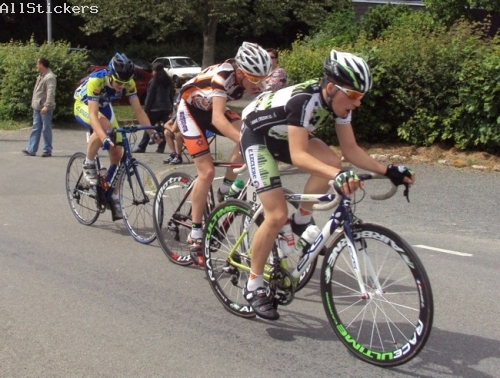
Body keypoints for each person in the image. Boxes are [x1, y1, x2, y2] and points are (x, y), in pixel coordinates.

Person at [239, 50, 416, 320]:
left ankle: (301, 218)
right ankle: (253, 285)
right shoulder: (304, 101)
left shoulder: (337, 102)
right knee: (275, 215)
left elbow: (351, 150)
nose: (357, 103)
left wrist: (388, 170)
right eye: (354, 95)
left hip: (283, 134)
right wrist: (338, 175)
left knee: (332, 159)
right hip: (258, 136)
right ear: (332, 88)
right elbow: (299, 156)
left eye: (362, 97)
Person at [176, 41, 271, 266]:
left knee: (251, 134)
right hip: (190, 111)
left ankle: (225, 190)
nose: (260, 84)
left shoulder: (252, 80)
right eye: (255, 79)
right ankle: (196, 233)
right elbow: (218, 118)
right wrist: (248, 142)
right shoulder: (222, 76)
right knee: (206, 172)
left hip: (210, 108)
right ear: (240, 71)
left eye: (263, 79)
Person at [74, 52, 158, 221]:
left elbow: (138, 111)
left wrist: (152, 132)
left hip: (104, 108)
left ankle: (113, 196)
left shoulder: (128, 83)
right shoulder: (96, 81)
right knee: (103, 126)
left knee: (118, 156)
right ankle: (88, 162)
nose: (121, 86)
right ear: (110, 74)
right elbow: (92, 115)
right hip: (84, 105)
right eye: (118, 83)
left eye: (125, 83)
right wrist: (104, 137)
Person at [133, 62, 175, 154]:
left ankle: (142, 146)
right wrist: (171, 108)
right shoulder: (168, 81)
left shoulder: (154, 81)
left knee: (149, 126)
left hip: (155, 108)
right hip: (167, 107)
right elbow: (171, 95)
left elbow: (150, 96)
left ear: (155, 70)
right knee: (164, 127)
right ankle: (161, 147)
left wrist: (146, 109)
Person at [22, 57, 57, 157]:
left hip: (45, 108)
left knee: (46, 128)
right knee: (36, 128)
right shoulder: (41, 75)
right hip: (37, 106)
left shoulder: (50, 77)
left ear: (41, 65)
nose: (36, 66)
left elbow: (50, 93)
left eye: (37, 64)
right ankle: (31, 149)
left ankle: (47, 150)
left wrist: (46, 106)